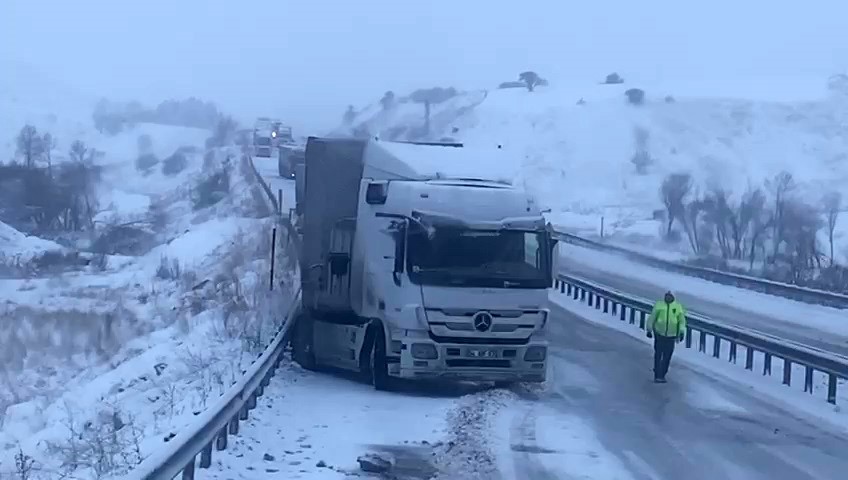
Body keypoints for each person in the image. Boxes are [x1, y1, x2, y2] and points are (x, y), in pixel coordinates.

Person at [646, 291, 687, 383]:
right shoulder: (659, 305)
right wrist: (649, 329)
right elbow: (652, 318)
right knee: (658, 354)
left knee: (667, 356)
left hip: (671, 336)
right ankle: (657, 374)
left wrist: (681, 332)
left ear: (673, 297)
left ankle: (663, 373)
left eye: (670, 296)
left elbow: (681, 321)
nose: (668, 298)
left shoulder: (677, 307)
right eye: (666, 296)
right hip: (659, 334)